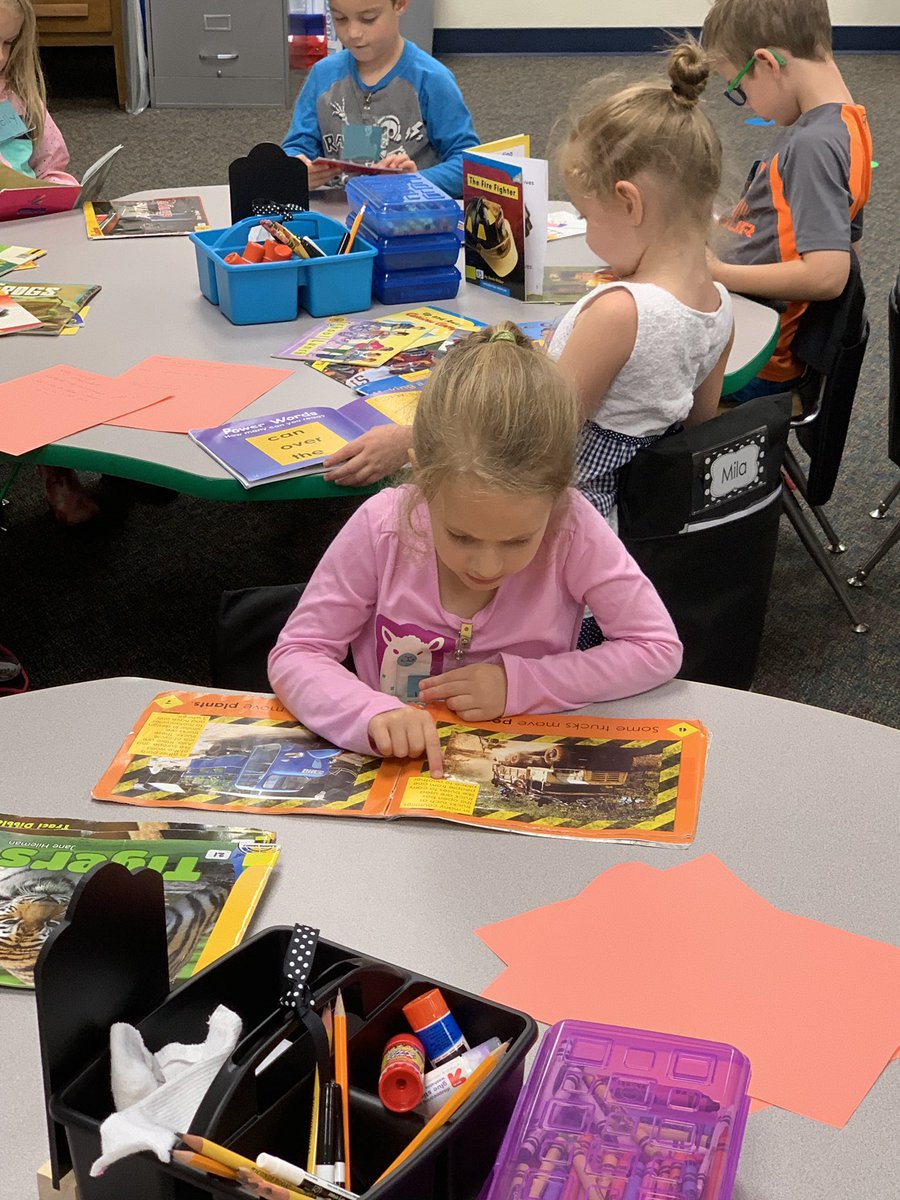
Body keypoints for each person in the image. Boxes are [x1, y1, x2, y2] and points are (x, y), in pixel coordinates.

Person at [268, 323, 683, 773]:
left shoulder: (573, 526)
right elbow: (299, 653)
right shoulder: (382, 526)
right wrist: (368, 713)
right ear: (423, 478)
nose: (487, 566)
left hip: (519, 758)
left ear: (559, 493)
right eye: (461, 536)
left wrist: (520, 683)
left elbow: (655, 647)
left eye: (519, 541)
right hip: (393, 768)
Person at [547, 41, 735, 522]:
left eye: (587, 215)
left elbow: (538, 439)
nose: (587, 233)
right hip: (637, 525)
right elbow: (694, 433)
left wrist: (413, 442)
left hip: (562, 523)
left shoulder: (621, 313)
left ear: (630, 203)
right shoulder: (721, 307)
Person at [702, 0, 872, 403]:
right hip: (749, 320)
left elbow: (829, 275)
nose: (750, 104)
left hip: (754, 354)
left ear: (766, 63)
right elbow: (843, 240)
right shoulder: (846, 123)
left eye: (740, 90)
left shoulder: (814, 145)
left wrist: (719, 271)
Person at [0, 0, 97, 524]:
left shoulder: (19, 99)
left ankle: (54, 464)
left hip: (25, 243)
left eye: (8, 44)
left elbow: (52, 168)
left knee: (57, 324)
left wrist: (53, 189)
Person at [282, 0, 478, 198]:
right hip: (337, 214)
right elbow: (296, 146)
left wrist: (417, 181)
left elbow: (468, 164)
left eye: (368, 19)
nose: (353, 33)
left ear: (400, 4)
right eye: (340, 18)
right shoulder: (322, 75)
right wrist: (296, 171)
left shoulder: (431, 79)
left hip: (407, 215)